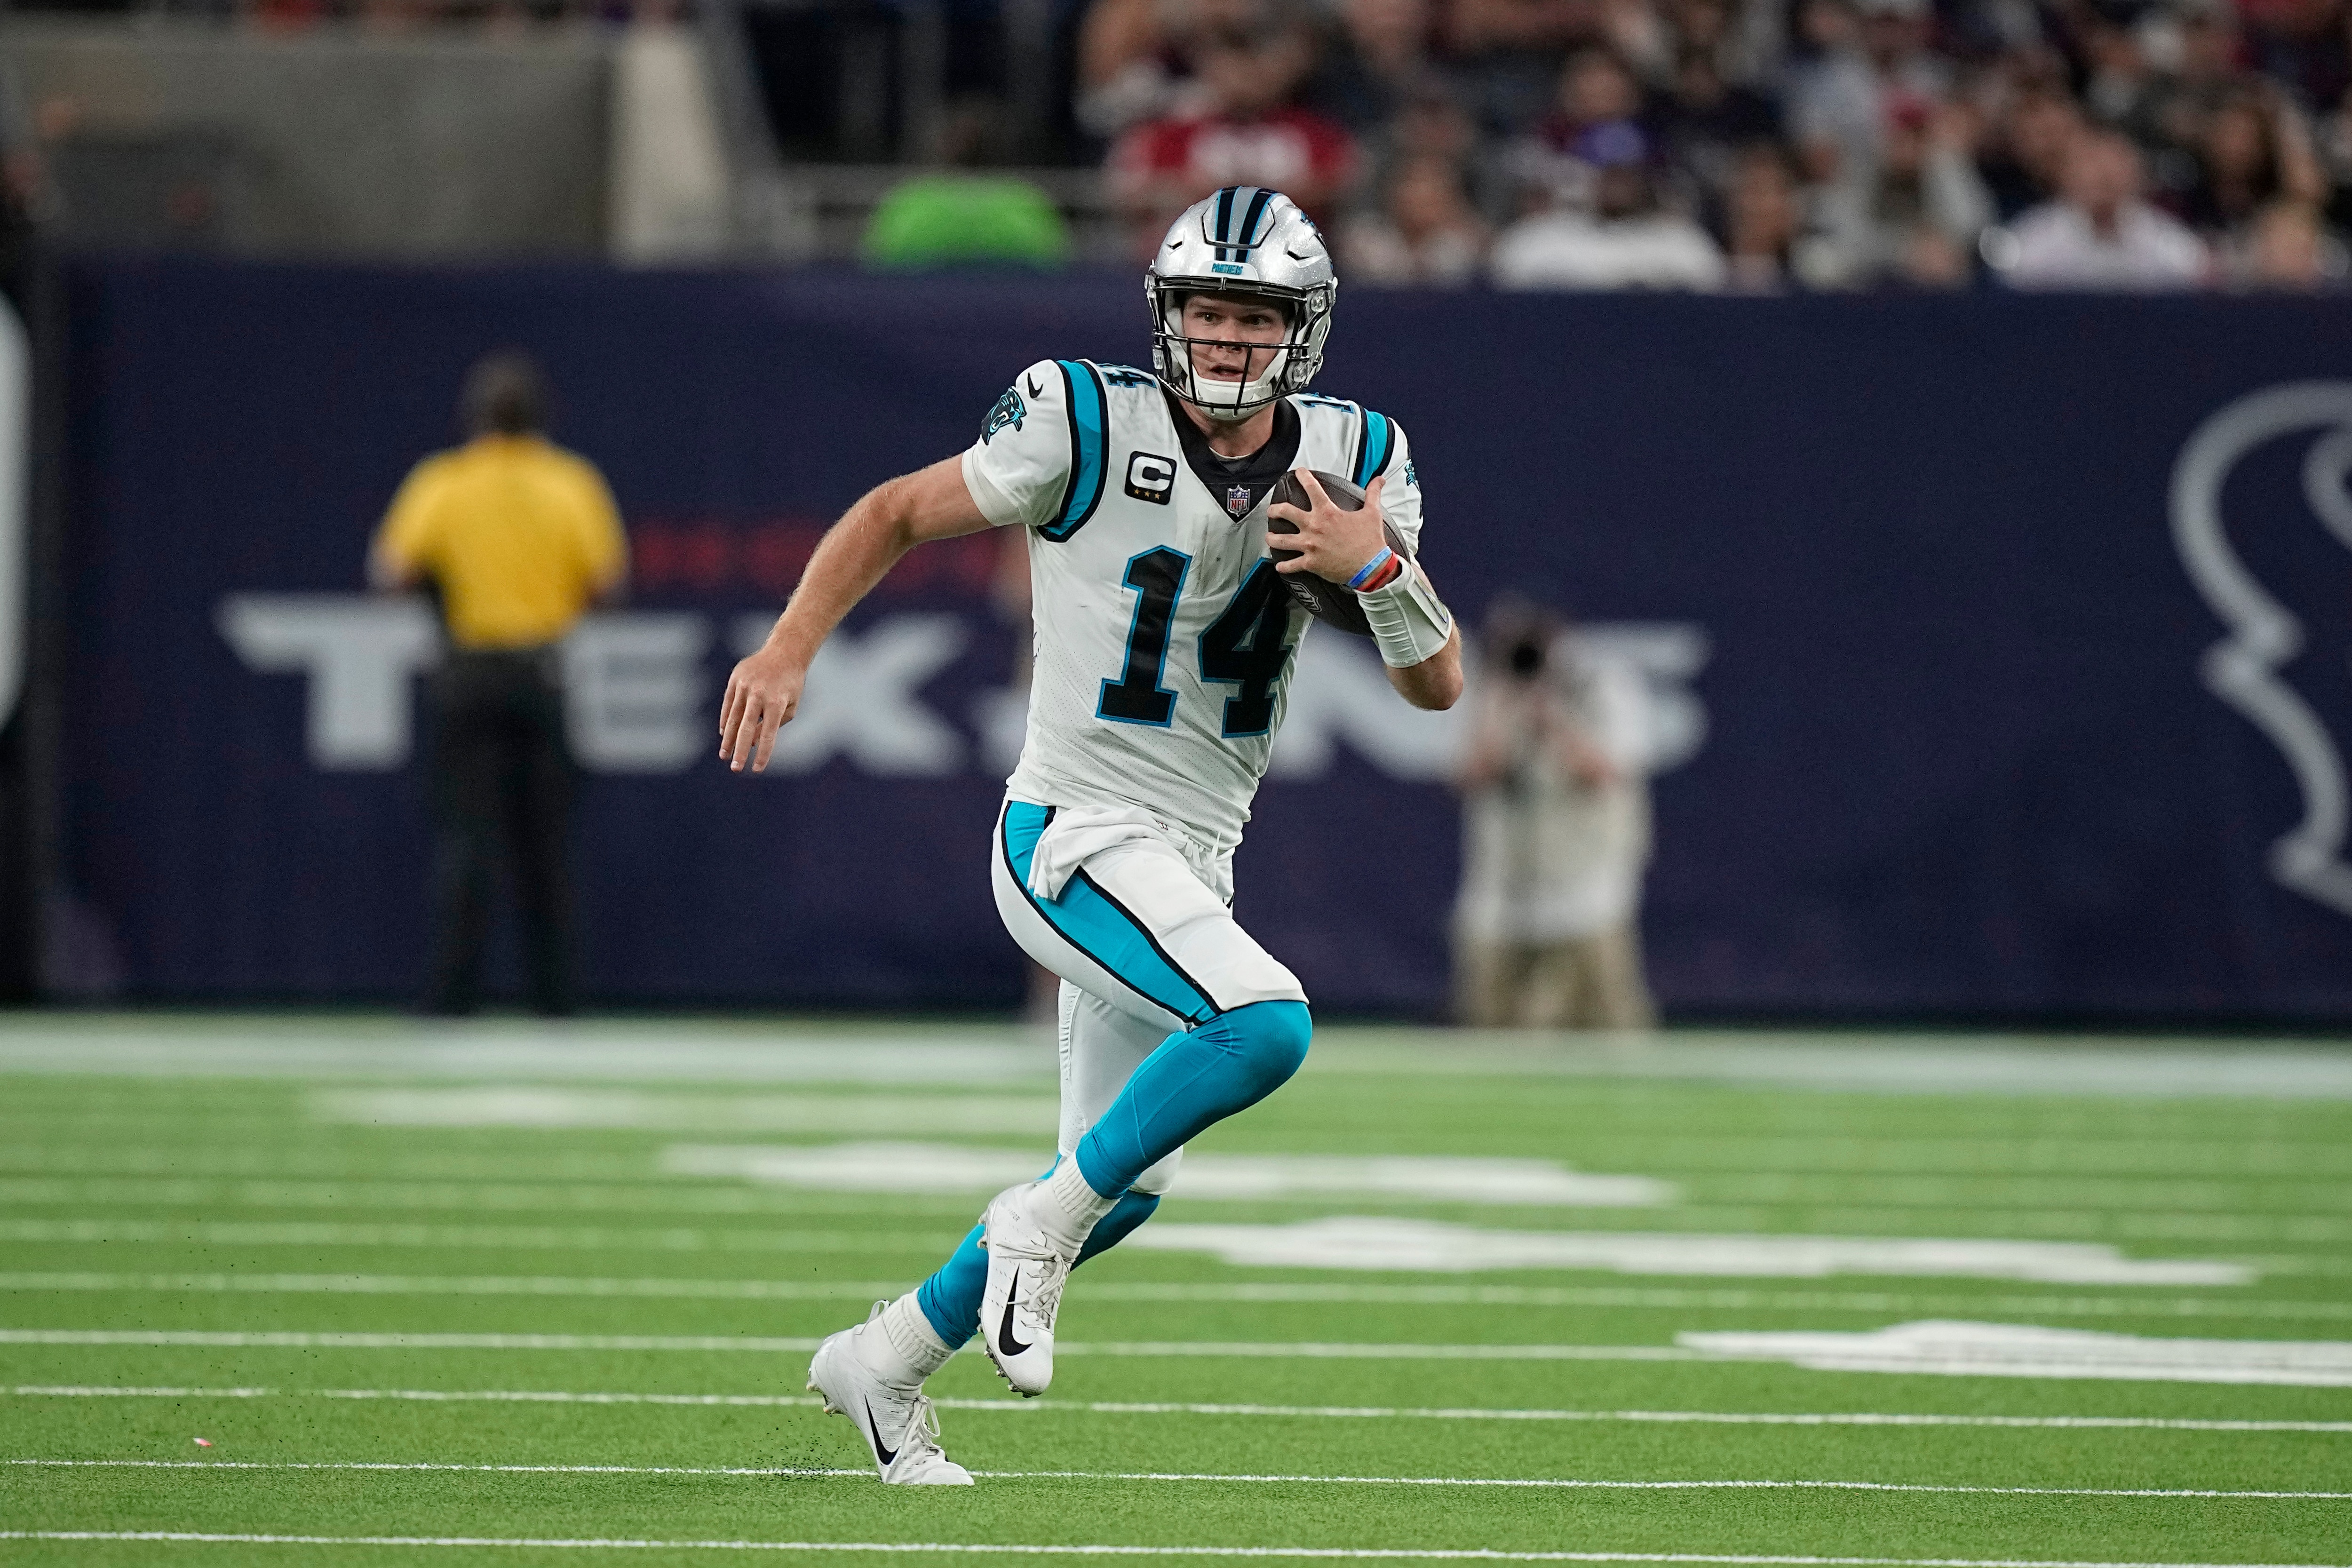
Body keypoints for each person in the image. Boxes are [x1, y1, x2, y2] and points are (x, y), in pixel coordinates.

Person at [718, 185, 1462, 1484]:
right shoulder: (1083, 415)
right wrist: (788, 645)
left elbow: (1439, 687)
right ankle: (1032, 1226)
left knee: (1130, 1180)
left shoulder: (1357, 452)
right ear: (1168, 314)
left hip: (1191, 846)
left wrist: (1376, 567)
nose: (1228, 343)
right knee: (1263, 1025)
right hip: (1069, 826)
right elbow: (896, 508)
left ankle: (883, 1359)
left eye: (1257, 318)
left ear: (1307, 329)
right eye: (1209, 314)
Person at [368, 352, 627, 1017]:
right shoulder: (570, 482)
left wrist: (448, 588)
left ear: (474, 417)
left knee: (466, 844)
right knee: (545, 849)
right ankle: (556, 1003)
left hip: (468, 676)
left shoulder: (445, 482)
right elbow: (606, 585)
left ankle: (453, 1001)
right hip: (540, 675)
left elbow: (391, 574)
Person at [1451, 600, 1656, 1030]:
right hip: (1502, 889)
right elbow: (1473, 774)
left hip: (1587, 889)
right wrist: (1501, 703)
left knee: (1607, 1025)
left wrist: (1553, 718)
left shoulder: (1599, 686)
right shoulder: (1490, 688)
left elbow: (1606, 773)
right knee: (1489, 1027)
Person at [2002, 126, 2209, 288]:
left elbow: (2201, 277)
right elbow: (2012, 287)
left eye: (2114, 167)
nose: (2104, 178)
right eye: (2092, 167)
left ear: (2136, 176)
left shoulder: (2166, 239)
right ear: (2066, 175)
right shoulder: (2035, 238)